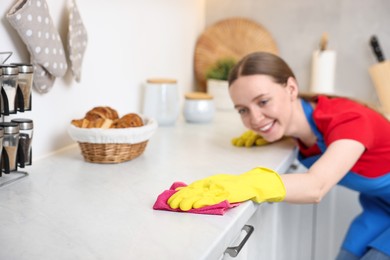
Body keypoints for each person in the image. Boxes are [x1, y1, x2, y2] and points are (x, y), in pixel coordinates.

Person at [168, 52, 390, 260]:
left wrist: (252, 183)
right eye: (243, 110)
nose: (255, 118)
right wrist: (277, 131)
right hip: (381, 207)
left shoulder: (349, 121)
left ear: (291, 89)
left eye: (263, 102)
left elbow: (316, 186)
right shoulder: (302, 125)